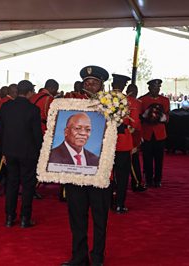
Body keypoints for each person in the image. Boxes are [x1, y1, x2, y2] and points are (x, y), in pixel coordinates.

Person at [62, 65, 111, 266]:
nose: (90, 85)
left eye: (94, 82)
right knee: (77, 217)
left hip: (99, 169)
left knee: (100, 218)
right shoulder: (71, 102)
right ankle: (79, 257)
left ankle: (97, 258)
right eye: (87, 82)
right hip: (76, 170)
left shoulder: (112, 105)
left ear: (102, 85)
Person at [0, 79, 42, 228]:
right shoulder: (33, 110)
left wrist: (4, 151)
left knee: (12, 184)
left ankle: (9, 217)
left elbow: (1, 131)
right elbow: (37, 135)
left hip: (9, 152)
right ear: (29, 92)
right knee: (28, 186)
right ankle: (25, 218)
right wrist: (40, 151)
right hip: (28, 153)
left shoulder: (6, 107)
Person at [110, 74, 141, 214]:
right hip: (123, 143)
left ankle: (108, 201)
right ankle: (119, 204)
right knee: (122, 175)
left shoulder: (102, 100)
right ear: (124, 87)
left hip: (106, 143)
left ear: (112, 84)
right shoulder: (132, 102)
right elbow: (135, 125)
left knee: (107, 174)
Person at [139, 79, 170, 188]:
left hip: (160, 133)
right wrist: (145, 117)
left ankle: (158, 179)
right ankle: (148, 179)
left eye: (157, 88)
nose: (156, 90)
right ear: (149, 88)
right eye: (153, 87)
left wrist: (163, 118)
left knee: (159, 158)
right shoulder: (142, 100)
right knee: (147, 158)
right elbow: (139, 117)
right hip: (147, 133)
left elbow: (167, 116)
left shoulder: (165, 100)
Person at [126, 84, 147, 192]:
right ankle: (136, 182)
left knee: (134, 161)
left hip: (134, 134)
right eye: (131, 90)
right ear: (127, 90)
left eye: (136, 90)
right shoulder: (122, 102)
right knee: (131, 161)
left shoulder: (139, 103)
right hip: (126, 134)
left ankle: (137, 182)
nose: (134, 92)